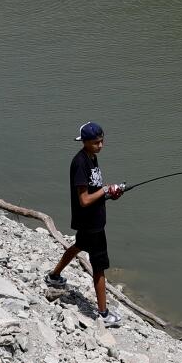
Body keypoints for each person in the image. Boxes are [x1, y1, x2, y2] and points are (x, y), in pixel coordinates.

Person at [46, 121, 126, 326]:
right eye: (96, 142)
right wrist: (107, 189)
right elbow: (84, 200)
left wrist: (111, 194)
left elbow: (95, 192)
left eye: (102, 141)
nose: (100, 145)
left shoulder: (92, 158)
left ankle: (54, 276)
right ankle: (104, 314)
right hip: (92, 224)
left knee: (78, 246)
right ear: (85, 142)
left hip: (91, 221)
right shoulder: (80, 163)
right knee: (99, 267)